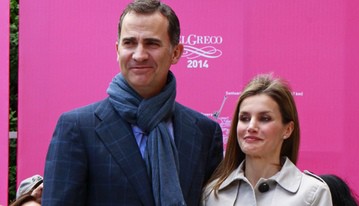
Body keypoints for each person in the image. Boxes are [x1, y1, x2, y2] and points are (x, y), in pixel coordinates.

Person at [42, 0, 224, 205]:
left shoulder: (204, 133)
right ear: (117, 49)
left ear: (176, 53)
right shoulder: (77, 127)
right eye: (129, 43)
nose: (139, 55)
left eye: (151, 43)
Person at [201, 73, 333, 205]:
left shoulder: (313, 193)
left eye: (265, 118)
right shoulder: (213, 195)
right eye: (244, 118)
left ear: (287, 130)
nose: (251, 127)